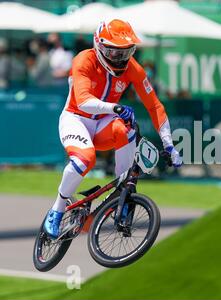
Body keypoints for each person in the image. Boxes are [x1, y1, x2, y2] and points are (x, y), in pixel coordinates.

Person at [44, 19, 182, 239]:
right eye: (115, 53)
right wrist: (115, 107)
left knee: (126, 130)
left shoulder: (133, 68)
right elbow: (82, 101)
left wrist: (169, 144)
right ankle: (57, 210)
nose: (121, 59)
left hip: (103, 123)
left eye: (127, 53)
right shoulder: (84, 59)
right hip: (76, 119)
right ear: (99, 46)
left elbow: (154, 105)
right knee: (84, 160)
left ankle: (122, 193)